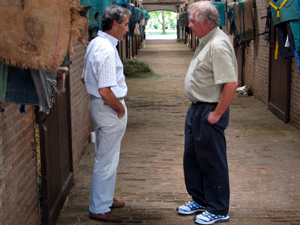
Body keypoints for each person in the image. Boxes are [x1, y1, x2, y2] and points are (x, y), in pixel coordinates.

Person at [176, 1, 238, 225]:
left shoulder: (218, 45)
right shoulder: (206, 41)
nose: (189, 24)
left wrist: (217, 113)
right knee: (192, 158)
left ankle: (218, 209)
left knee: (212, 161)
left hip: (209, 109)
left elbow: (231, 83)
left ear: (205, 21)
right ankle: (200, 199)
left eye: (192, 20)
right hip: (197, 109)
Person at [81, 5, 131, 222]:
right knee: (106, 160)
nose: (128, 29)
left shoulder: (95, 43)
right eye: (126, 24)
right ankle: (100, 208)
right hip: (109, 107)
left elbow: (85, 78)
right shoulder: (107, 50)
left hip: (99, 106)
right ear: (114, 24)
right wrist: (120, 109)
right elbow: (105, 90)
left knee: (108, 156)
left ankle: (105, 198)